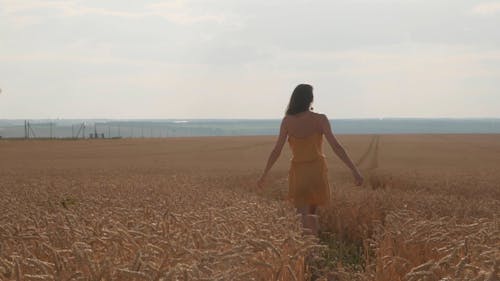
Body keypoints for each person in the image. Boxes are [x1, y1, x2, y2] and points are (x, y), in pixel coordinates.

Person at [257, 84, 364, 236]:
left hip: (299, 172)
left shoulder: (287, 121)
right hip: (316, 171)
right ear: (310, 100)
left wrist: (264, 175)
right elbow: (336, 146)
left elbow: (276, 150)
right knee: (312, 214)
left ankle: (306, 251)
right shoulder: (320, 119)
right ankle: (313, 249)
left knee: (301, 216)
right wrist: (355, 171)